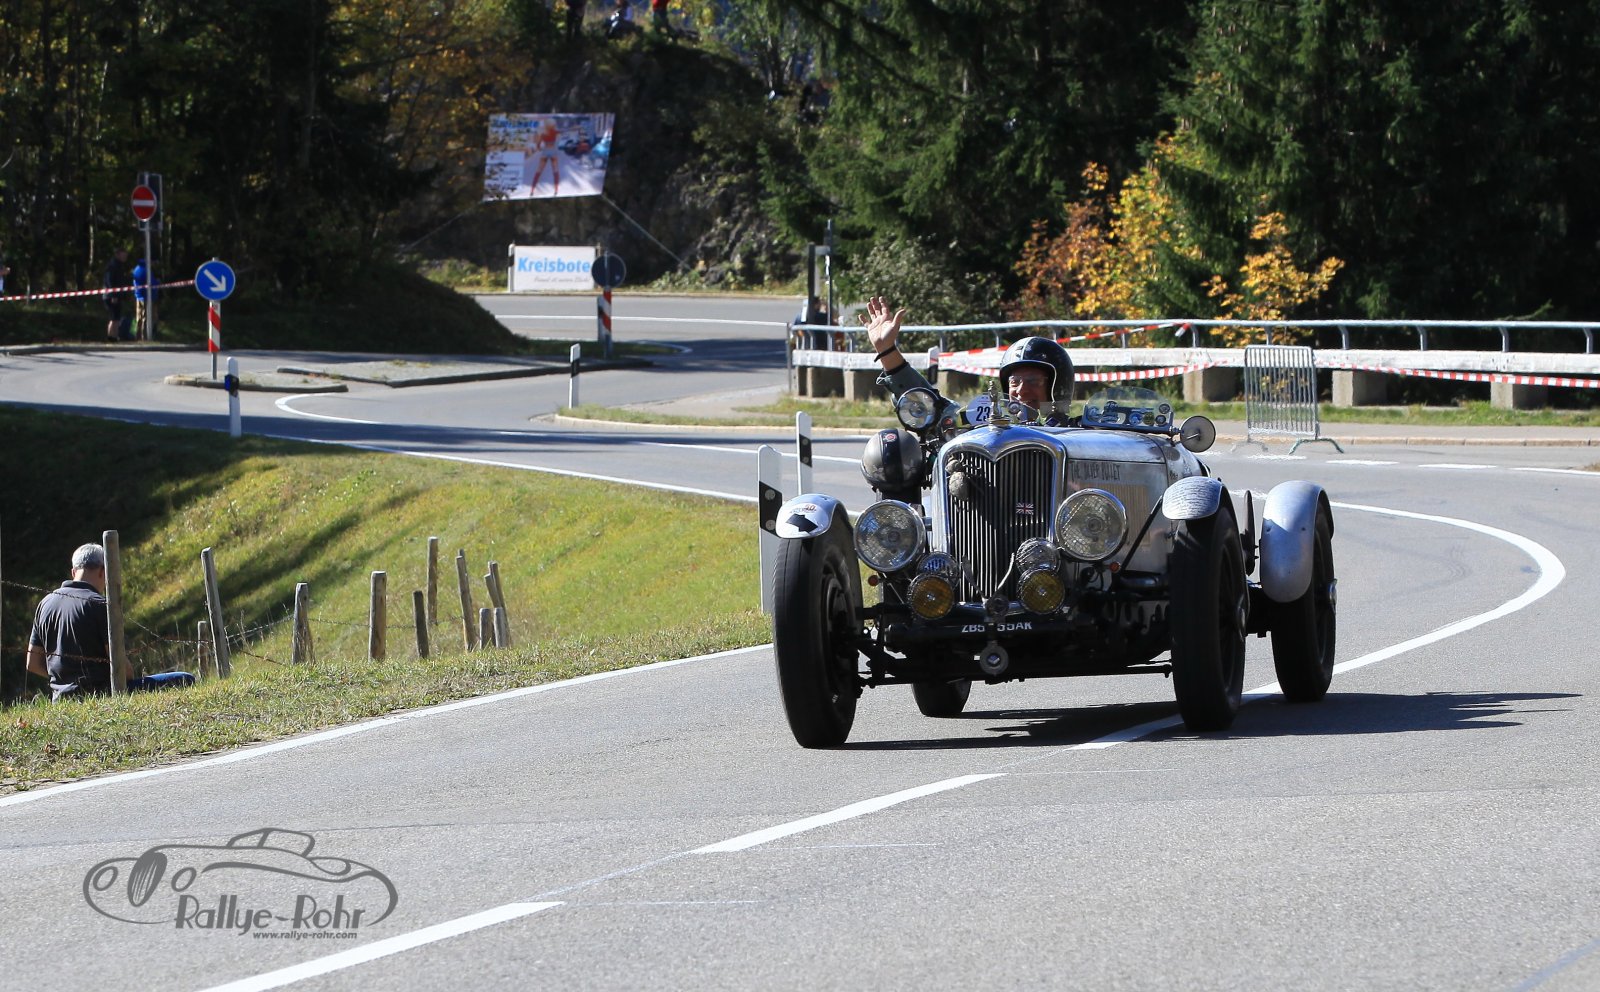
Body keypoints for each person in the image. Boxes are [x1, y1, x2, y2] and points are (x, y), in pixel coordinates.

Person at [860, 295, 1076, 426]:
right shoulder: (984, 422)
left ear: (1058, 386)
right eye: (1014, 381)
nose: (1021, 390)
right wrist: (886, 350)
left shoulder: (1079, 435)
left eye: (1033, 381)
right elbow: (933, 409)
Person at [26, 543, 195, 700]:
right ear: (103, 571)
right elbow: (123, 670)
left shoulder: (45, 604)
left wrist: (65, 682)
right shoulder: (99, 604)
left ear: (73, 572)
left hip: (61, 698)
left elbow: (32, 663)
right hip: (102, 693)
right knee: (185, 679)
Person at [104, 247, 130, 342]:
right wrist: (113, 295)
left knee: (117, 318)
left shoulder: (119, 266)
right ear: (117, 254)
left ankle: (114, 337)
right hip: (111, 296)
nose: (125, 257)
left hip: (117, 295)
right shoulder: (112, 266)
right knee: (113, 317)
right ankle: (110, 337)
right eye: (124, 255)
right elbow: (109, 282)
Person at [131, 257, 151, 339]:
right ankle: (144, 336)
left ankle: (136, 335)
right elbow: (152, 282)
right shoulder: (146, 271)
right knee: (145, 317)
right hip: (145, 296)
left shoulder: (136, 269)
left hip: (137, 296)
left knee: (138, 316)